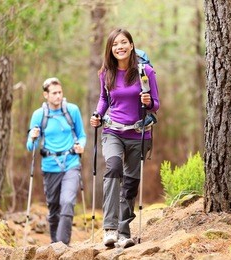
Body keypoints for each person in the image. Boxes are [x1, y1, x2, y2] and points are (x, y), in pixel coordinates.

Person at [90, 28, 160, 248]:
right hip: (113, 131)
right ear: (110, 49)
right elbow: (104, 99)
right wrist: (97, 114)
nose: (119, 47)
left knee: (130, 183)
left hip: (139, 133)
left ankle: (123, 232)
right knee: (113, 168)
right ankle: (109, 228)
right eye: (114, 44)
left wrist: (148, 101)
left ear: (131, 45)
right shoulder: (106, 73)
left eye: (123, 43)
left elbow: (155, 104)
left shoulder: (145, 71)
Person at [27, 77, 87, 245]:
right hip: (50, 166)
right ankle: (55, 244)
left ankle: (62, 244)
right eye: (54, 93)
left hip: (71, 163)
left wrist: (80, 146)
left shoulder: (72, 110)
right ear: (45, 95)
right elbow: (30, 147)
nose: (58, 96)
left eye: (60, 92)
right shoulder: (39, 115)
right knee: (53, 208)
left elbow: (81, 135)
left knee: (67, 202)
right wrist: (32, 137)